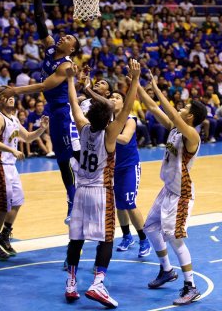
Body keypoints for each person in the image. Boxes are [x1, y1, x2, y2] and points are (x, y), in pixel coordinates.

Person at [64, 59, 140, 308]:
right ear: (109, 117)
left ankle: (71, 283)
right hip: (100, 191)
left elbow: (74, 104)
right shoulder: (109, 134)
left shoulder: (83, 126)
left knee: (76, 239)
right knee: (107, 238)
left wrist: (70, 80)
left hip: (81, 191)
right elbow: (127, 108)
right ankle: (97, 283)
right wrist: (135, 81)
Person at [0, 0, 80, 221]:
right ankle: (77, 193)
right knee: (64, 158)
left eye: (68, 38)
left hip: (64, 111)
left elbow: (44, 85)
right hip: (53, 110)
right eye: (64, 35)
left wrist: (15, 90)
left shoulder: (66, 65)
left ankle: (76, 198)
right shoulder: (52, 49)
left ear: (72, 48)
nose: (63, 36)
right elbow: (40, 22)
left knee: (68, 158)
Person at [137, 72, 207, 306]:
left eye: (185, 107)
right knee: (150, 228)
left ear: (191, 116)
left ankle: (191, 285)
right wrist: (135, 84)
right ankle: (167, 270)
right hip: (168, 189)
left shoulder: (191, 134)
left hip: (181, 194)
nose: (180, 108)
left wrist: (157, 89)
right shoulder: (175, 129)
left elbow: (167, 110)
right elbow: (153, 108)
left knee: (175, 239)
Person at [0, 89, 50, 260]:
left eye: (12, 96)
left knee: (17, 201)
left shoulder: (13, 118)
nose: (11, 98)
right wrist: (12, 150)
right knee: (3, 205)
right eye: (6, 96)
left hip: (10, 165)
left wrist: (41, 129)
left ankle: (5, 235)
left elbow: (27, 137)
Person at [110, 90, 151, 257]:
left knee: (129, 202)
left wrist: (106, 130)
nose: (113, 99)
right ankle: (127, 236)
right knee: (119, 204)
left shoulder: (130, 119)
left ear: (124, 103)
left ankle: (143, 239)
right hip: (113, 168)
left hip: (129, 167)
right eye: (111, 97)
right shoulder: (108, 121)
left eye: (117, 97)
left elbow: (125, 139)